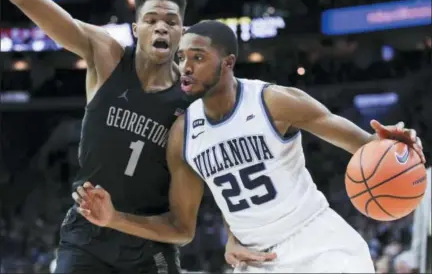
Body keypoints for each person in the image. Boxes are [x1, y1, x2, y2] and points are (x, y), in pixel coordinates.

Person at [73, 21, 426, 273]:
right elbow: (181, 227)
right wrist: (115, 218)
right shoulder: (183, 133)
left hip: (318, 241)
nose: (185, 67)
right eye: (181, 58)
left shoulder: (274, 102)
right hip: (255, 259)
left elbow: (366, 148)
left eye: (198, 57)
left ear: (227, 63)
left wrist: (395, 143)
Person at [1, 0, 194, 274]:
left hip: (149, 243)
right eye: (151, 19)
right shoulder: (107, 57)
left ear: (183, 32)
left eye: (171, 22)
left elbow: (183, 229)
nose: (161, 27)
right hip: (87, 234)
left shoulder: (192, 102)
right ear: (135, 29)